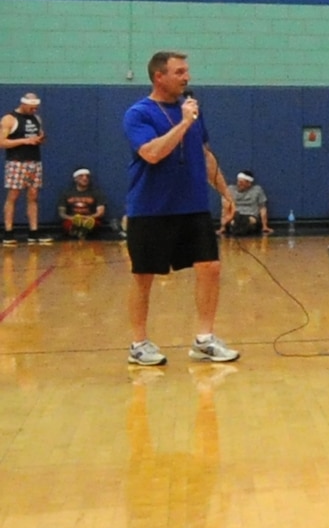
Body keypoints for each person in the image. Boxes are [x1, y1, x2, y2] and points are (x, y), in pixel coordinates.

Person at [123, 51, 237, 367]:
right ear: (159, 76)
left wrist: (226, 194)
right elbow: (152, 153)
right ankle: (138, 344)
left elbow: (205, 156)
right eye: (179, 72)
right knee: (143, 276)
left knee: (210, 267)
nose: (187, 77)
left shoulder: (193, 113)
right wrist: (185, 123)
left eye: (187, 71)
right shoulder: (139, 114)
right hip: (150, 209)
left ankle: (204, 339)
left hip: (193, 207)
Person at [1, 92, 46, 241]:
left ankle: (33, 232)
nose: (34, 110)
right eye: (32, 108)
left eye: (36, 108)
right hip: (16, 161)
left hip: (34, 160)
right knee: (13, 196)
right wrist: (25, 141)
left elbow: (38, 136)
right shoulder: (9, 119)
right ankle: (8, 232)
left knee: (33, 195)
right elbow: (2, 142)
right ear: (24, 104)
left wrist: (39, 139)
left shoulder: (36, 119)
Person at [57, 168, 106, 239]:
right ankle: (77, 231)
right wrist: (72, 218)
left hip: (90, 219)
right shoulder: (66, 193)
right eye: (81, 176)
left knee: (94, 223)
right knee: (67, 224)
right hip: (72, 219)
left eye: (87, 176)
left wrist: (87, 218)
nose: (85, 178)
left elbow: (101, 212)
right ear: (75, 179)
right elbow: (61, 213)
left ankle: (82, 231)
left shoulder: (96, 193)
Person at [225, 171, 271, 236]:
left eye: (241, 183)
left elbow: (263, 208)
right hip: (235, 215)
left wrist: (264, 226)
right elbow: (225, 208)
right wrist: (223, 226)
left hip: (251, 216)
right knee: (234, 221)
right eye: (238, 181)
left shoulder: (257, 190)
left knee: (250, 223)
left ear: (249, 183)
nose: (238, 184)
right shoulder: (231, 189)